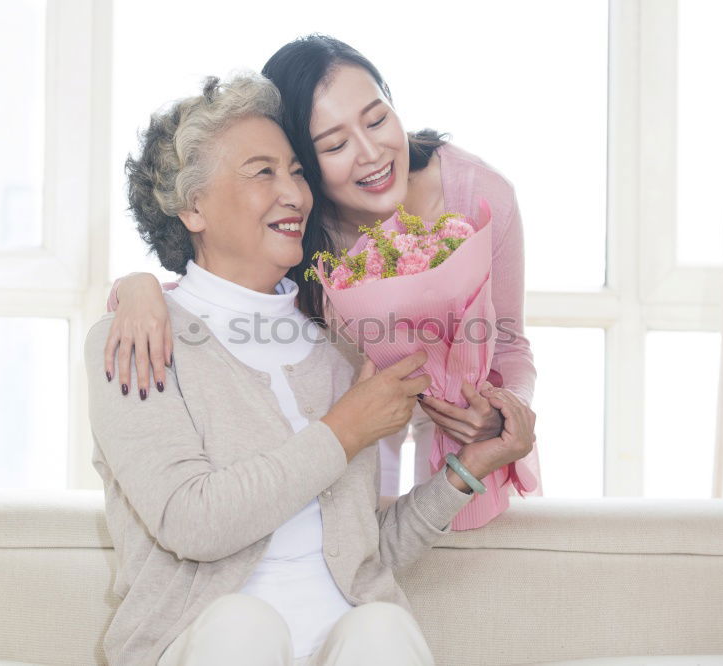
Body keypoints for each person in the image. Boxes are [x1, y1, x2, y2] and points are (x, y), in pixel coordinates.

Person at [85, 74, 536, 666]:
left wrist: (465, 471)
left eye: (297, 171)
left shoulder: (339, 346)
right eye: (263, 172)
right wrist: (345, 430)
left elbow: (362, 552)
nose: (295, 193)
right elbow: (189, 521)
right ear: (193, 205)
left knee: (381, 628)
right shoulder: (137, 336)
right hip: (206, 643)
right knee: (243, 627)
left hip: (343, 641)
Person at [104, 35, 541, 502]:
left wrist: (504, 409)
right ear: (303, 162)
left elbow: (510, 345)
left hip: (458, 419)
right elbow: (218, 287)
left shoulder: (476, 194)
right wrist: (135, 287)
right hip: (354, 407)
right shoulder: (297, 222)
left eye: (377, 120)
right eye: (334, 146)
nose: (371, 154)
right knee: (364, 522)